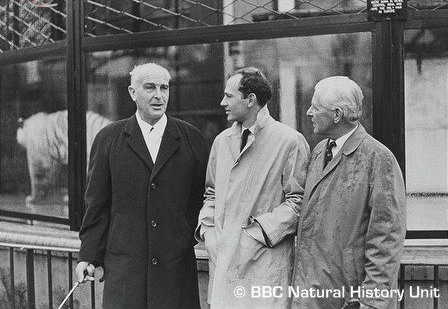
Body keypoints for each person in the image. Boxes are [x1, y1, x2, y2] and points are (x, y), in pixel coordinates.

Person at [75, 63, 208, 309]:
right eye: (150, 87)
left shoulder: (192, 138)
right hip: (126, 269)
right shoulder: (108, 139)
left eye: (164, 88)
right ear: (132, 93)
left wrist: (182, 233)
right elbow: (96, 204)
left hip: (174, 267)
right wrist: (88, 255)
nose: (159, 95)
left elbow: (200, 196)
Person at [195, 67, 310, 309]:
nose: (222, 102)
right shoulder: (221, 142)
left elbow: (298, 202)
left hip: (264, 269)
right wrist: (208, 231)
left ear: (250, 100)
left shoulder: (290, 141)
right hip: (224, 269)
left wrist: (254, 234)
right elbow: (211, 193)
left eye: (229, 96)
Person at [291, 76, 406, 309]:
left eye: (315, 107)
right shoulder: (319, 151)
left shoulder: (378, 158)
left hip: (348, 300)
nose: (309, 112)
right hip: (310, 295)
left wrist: (372, 301)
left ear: (336, 115)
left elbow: (386, 237)